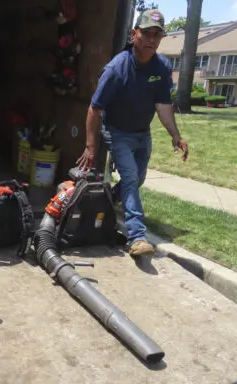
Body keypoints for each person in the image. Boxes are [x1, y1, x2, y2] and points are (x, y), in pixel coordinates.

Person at [76, 9, 188, 257]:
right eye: (146, 33)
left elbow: (163, 105)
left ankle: (110, 199)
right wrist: (91, 146)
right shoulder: (117, 69)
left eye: (156, 35)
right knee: (129, 178)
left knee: (136, 180)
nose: (151, 39)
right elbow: (95, 109)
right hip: (117, 132)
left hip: (142, 133)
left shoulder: (161, 66)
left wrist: (175, 136)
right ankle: (137, 237)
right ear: (133, 34)